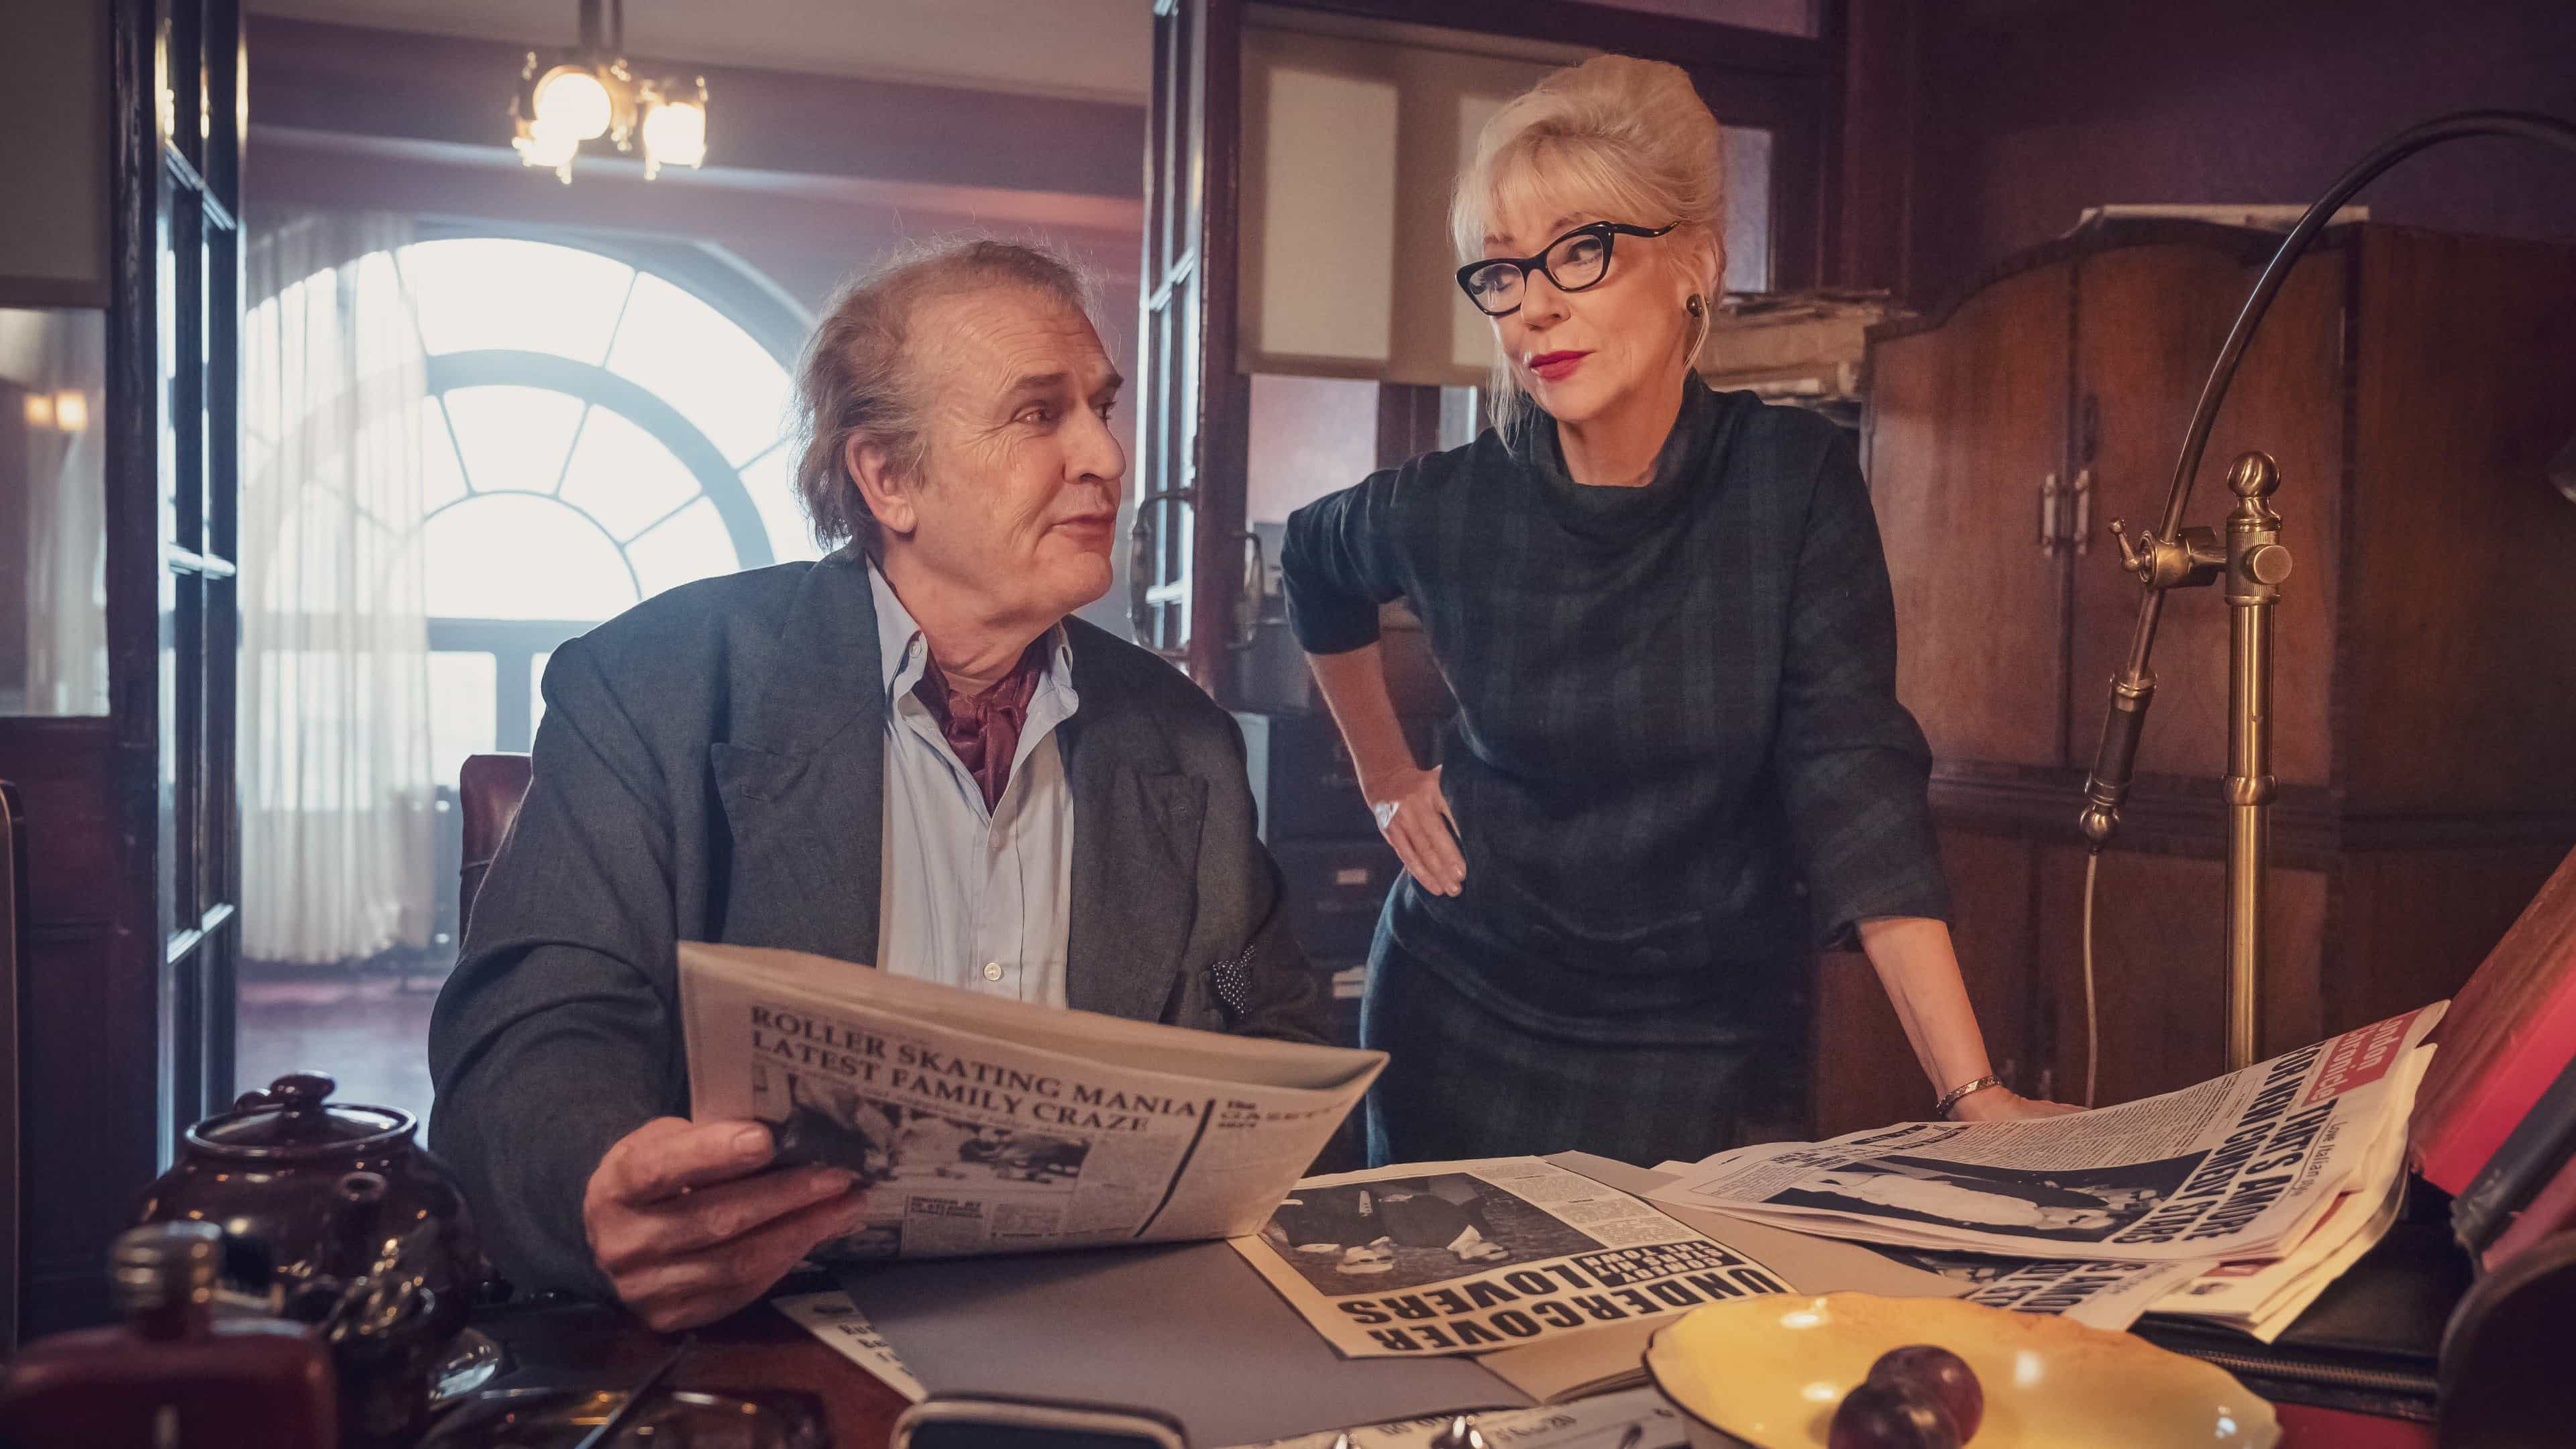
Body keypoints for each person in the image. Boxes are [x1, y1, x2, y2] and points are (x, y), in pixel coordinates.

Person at [431, 239, 1327, 1332]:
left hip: (1104, 1326)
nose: (1106, 454)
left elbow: (1269, 1027)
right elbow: (532, 1039)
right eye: (1038, 414)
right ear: (889, 479)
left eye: (1101, 406)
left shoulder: (1185, 741)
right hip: (759, 1336)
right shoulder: (654, 686)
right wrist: (600, 1185)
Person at [1278, 56, 2076, 1170]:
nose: (1534, 305)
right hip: (1461, 1005)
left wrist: (1971, 1092)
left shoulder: (1790, 483)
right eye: (1502, 271)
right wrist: (1384, 776)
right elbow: (1310, 561)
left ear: (1695, 263)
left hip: (1687, 1030)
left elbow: (1855, 781)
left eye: (1581, 251)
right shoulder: (1452, 505)